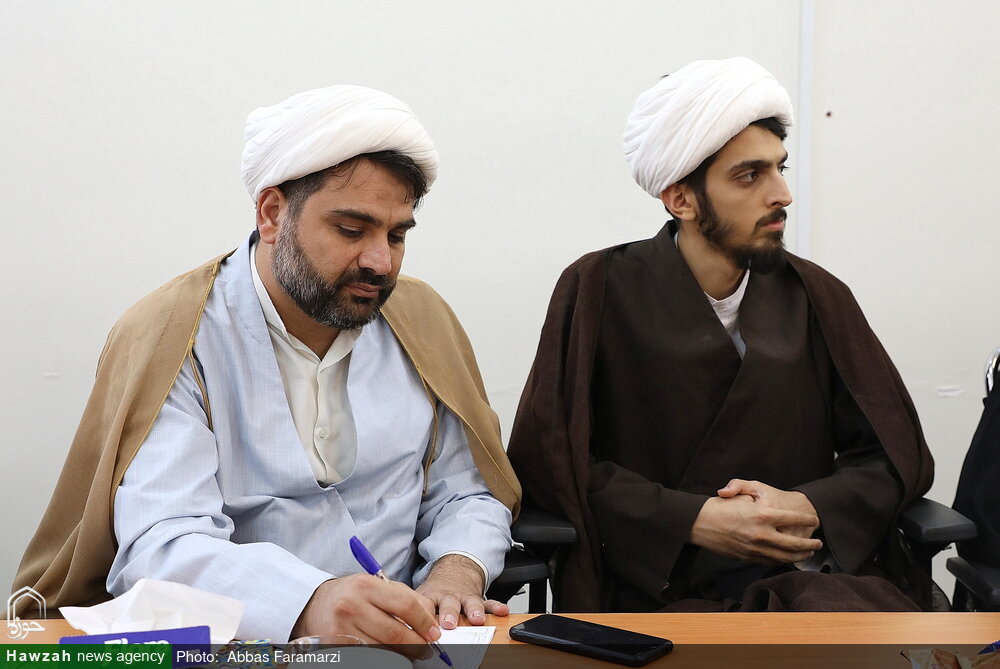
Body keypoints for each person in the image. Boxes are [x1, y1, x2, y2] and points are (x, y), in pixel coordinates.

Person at [12, 85, 521, 647]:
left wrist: (457, 568)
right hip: (238, 646)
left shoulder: (421, 321)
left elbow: (468, 491)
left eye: (396, 235)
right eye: (352, 231)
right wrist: (308, 602)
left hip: (407, 646)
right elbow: (164, 542)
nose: (381, 262)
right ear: (273, 213)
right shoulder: (176, 335)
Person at [507, 57, 934, 613]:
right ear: (681, 199)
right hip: (653, 588)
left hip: (808, 580)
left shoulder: (817, 295)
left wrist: (807, 506)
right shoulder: (596, 288)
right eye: (749, 175)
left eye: (780, 168)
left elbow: (893, 454)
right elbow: (551, 461)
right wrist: (692, 519)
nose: (782, 193)